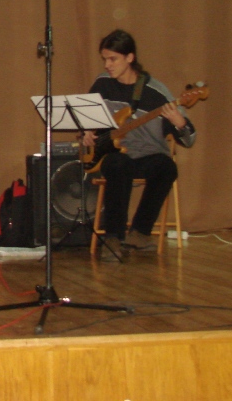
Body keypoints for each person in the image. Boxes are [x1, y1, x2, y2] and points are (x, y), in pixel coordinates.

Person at [82, 29, 196, 261]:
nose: (107, 65)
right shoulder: (102, 85)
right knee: (117, 164)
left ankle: (140, 233)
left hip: (147, 156)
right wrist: (86, 132)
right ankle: (113, 237)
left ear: (130, 58)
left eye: (113, 59)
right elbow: (86, 120)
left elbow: (189, 139)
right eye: (105, 59)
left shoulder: (156, 92)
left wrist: (180, 122)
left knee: (167, 167)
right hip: (112, 154)